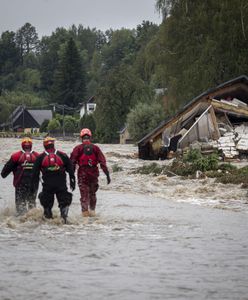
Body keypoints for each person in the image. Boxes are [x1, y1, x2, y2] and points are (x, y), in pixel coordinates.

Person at [31, 137, 75, 223]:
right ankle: (64, 219)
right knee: (64, 203)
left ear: (44, 145)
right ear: (53, 144)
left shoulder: (40, 157)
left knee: (47, 206)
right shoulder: (63, 155)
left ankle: (49, 223)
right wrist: (73, 181)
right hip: (61, 184)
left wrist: (33, 187)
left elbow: (34, 174)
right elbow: (71, 170)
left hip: (48, 185)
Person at [70, 128, 111, 217]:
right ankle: (92, 212)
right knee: (92, 194)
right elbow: (102, 162)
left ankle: (85, 215)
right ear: (90, 137)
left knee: (84, 195)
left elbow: (72, 163)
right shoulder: (96, 148)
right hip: (93, 174)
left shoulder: (78, 148)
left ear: (81, 138)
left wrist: (71, 177)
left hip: (82, 174)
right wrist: (107, 175)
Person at [1, 137, 39, 215]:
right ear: (31, 146)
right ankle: (34, 221)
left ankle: (21, 223)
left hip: (20, 185)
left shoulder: (16, 156)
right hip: (34, 185)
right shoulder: (38, 156)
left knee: (20, 206)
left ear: (22, 145)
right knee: (32, 204)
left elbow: (3, 173)